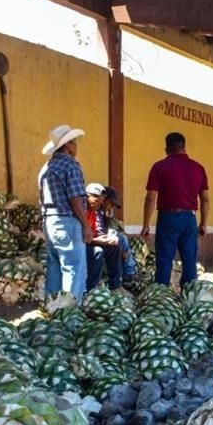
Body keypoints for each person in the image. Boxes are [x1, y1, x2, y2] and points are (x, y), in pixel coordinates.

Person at [142, 132, 210, 287]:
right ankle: (188, 294)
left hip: (168, 218)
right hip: (189, 218)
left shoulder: (159, 167)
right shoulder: (198, 168)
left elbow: (151, 197)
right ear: (184, 147)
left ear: (167, 149)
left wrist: (146, 224)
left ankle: (162, 295)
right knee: (189, 260)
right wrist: (204, 223)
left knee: (165, 258)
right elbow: (205, 198)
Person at [39, 124, 92, 303]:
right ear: (68, 145)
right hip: (67, 221)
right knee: (73, 268)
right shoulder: (70, 165)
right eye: (74, 142)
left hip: (49, 221)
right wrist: (86, 225)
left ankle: (52, 307)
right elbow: (75, 198)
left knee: (54, 266)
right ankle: (69, 311)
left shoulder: (46, 168)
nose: (76, 146)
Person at [84, 183, 136, 292]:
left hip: (91, 241)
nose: (99, 204)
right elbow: (83, 238)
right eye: (97, 201)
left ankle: (116, 285)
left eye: (101, 201)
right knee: (97, 251)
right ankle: (91, 289)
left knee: (115, 248)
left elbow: (97, 232)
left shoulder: (96, 212)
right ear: (87, 196)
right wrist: (102, 241)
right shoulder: (82, 211)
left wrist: (107, 239)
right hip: (81, 244)